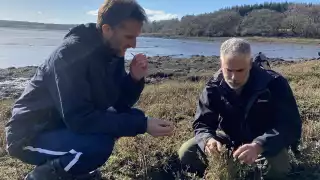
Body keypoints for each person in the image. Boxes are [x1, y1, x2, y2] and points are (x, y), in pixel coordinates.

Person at [5, 0, 174, 179]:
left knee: (134, 116)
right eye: (129, 37)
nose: (134, 45)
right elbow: (79, 119)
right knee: (98, 145)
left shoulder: (111, 54)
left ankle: (75, 169)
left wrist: (133, 79)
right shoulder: (69, 54)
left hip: (62, 125)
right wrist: (142, 125)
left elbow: (116, 104)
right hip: (29, 136)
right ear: (107, 29)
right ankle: (40, 177)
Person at [178, 38, 302, 180]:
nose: (233, 77)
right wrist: (208, 140)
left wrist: (259, 145)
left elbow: (290, 126)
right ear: (221, 63)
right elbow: (202, 124)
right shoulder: (212, 86)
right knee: (187, 151)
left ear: (250, 64)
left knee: (279, 166)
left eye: (240, 70)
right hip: (230, 140)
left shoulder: (274, 83)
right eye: (228, 70)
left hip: (266, 143)